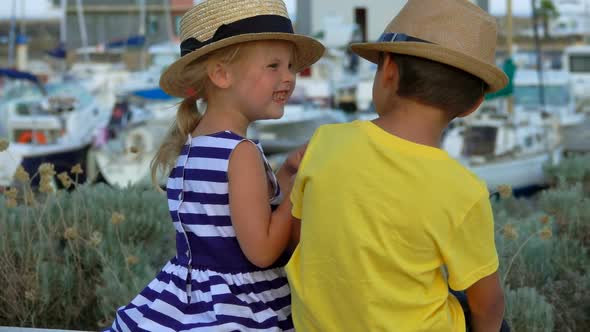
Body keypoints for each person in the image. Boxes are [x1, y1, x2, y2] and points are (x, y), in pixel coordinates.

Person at [286, 0, 510, 331]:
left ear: (388, 70)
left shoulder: (325, 142)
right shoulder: (463, 191)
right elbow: (487, 303)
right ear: (473, 105)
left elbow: (298, 242)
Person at [105, 0, 324, 330]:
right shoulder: (241, 152)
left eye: (291, 66)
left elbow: (229, 214)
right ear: (221, 74)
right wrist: (296, 188)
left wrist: (283, 174)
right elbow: (262, 251)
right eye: (273, 66)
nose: (289, 78)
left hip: (189, 300)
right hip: (238, 307)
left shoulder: (193, 142)